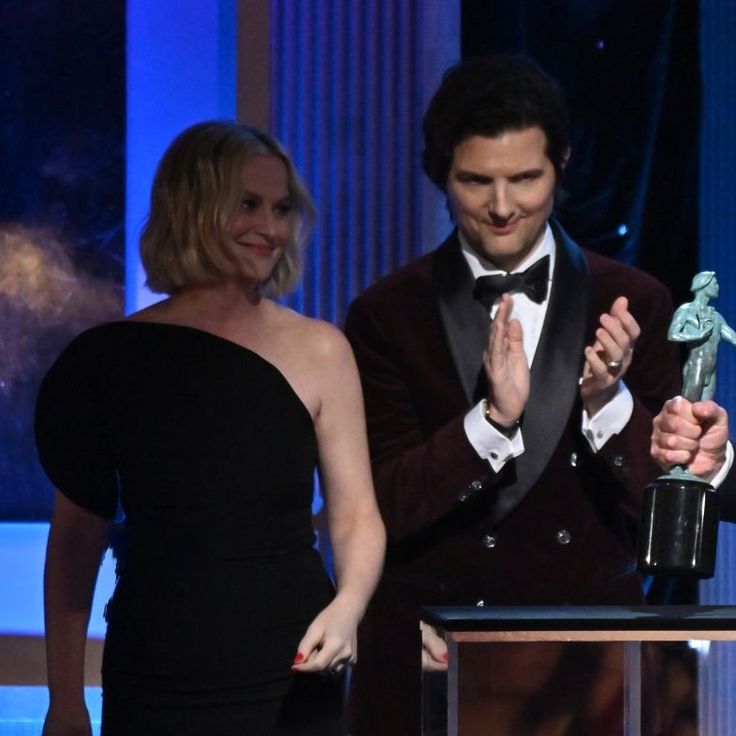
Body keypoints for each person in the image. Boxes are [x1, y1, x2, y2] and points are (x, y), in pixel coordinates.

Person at [344, 54, 685, 735]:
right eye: (476, 181)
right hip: (430, 658)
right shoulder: (386, 314)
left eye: (525, 178)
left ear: (561, 163)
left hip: (588, 669)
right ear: (441, 172)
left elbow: (668, 520)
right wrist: (490, 422)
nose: (502, 207)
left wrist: (609, 406)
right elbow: (377, 505)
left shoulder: (636, 301)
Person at [35, 121, 385, 736]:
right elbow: (73, 544)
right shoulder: (105, 361)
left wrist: (349, 606)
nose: (270, 228)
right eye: (246, 204)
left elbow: (355, 514)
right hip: (156, 668)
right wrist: (64, 697)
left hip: (293, 664)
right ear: (192, 206)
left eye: (281, 209)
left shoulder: (322, 349)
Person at [668, 271, 736, 402]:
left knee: (705, 414)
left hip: (711, 370)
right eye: (715, 284)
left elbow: (733, 337)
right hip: (696, 365)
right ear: (704, 285)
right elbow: (672, 334)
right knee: (689, 412)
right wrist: (698, 335)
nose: (718, 287)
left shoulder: (716, 317)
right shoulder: (686, 311)